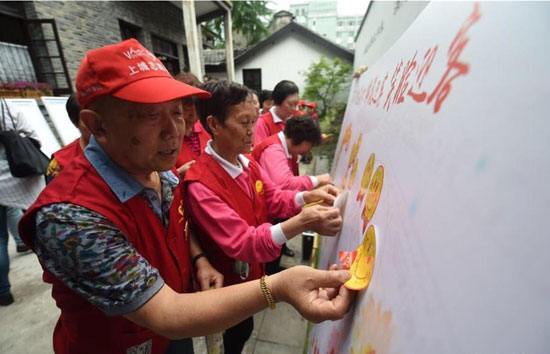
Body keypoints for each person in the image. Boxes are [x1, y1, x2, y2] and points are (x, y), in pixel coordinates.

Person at [18, 39, 355, 354]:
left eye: (178, 112)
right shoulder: (71, 218)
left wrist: (198, 259)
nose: (174, 131)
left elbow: (180, 224)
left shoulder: (162, 172)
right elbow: (167, 312)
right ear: (97, 125)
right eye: (151, 115)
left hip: (175, 331)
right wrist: (278, 287)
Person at [185, 80, 344, 353]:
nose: (251, 132)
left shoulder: (246, 162)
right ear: (214, 125)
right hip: (227, 286)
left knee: (243, 328)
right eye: (244, 122)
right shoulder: (201, 184)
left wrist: (307, 197)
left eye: (254, 121)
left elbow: (272, 198)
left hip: (251, 276)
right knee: (234, 332)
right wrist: (303, 221)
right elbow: (244, 242)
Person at [0, 98, 46, 306]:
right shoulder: (6, 107)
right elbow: (34, 138)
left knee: (0, 237)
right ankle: (53, 267)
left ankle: (3, 292)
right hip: (16, 177)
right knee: (26, 218)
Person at [252, 115, 332, 191]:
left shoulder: (282, 147)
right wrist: (317, 180)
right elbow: (284, 183)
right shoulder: (274, 151)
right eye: (309, 145)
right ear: (302, 138)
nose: (308, 151)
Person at [45, 93, 91, 183]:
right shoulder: (60, 165)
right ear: (74, 122)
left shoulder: (123, 150)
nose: (98, 125)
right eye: (88, 120)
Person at [174, 72, 211, 177]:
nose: (193, 115)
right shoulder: (165, 138)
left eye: (197, 108)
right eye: (187, 106)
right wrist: (178, 175)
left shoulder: (206, 130)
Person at [253, 80, 300, 147]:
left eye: (296, 104)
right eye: (290, 104)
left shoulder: (297, 118)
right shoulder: (263, 122)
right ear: (278, 101)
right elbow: (260, 151)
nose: (294, 108)